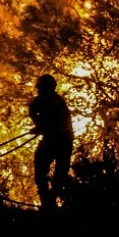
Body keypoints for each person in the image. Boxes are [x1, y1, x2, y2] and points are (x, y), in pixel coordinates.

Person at [28, 73, 74, 210]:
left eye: (41, 88)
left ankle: (49, 202)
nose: (39, 90)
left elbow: (56, 124)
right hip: (61, 141)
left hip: (60, 142)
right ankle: (48, 201)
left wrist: (40, 127)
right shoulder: (49, 101)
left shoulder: (54, 102)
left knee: (54, 174)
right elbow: (34, 112)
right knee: (46, 173)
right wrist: (39, 126)